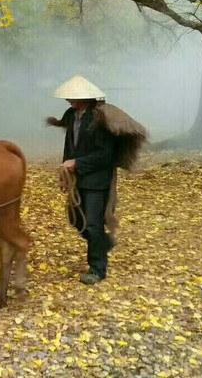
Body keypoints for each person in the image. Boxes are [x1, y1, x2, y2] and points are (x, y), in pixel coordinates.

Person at [46, 75, 147, 285]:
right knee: (77, 220)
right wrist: (68, 166)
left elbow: (105, 155)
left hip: (97, 180)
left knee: (93, 224)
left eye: (72, 97)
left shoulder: (101, 119)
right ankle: (103, 243)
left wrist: (77, 164)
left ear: (86, 98)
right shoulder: (72, 115)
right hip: (79, 179)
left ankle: (97, 269)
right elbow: (71, 145)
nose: (68, 100)